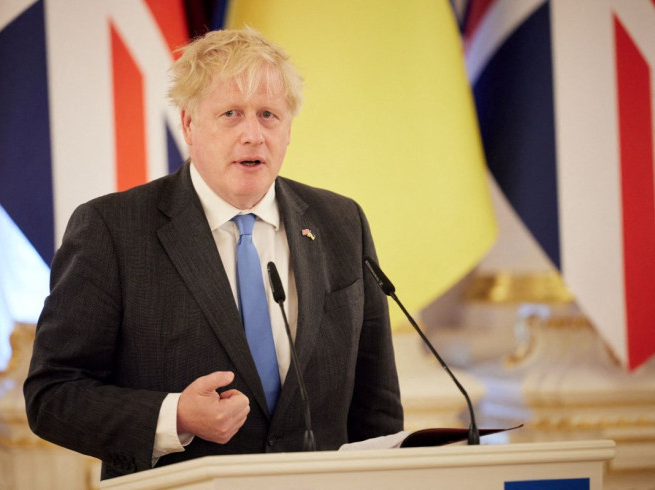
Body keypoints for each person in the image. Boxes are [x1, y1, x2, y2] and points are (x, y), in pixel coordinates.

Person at [24, 28, 403, 480]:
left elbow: (375, 406)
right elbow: (53, 394)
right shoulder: (112, 229)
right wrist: (174, 416)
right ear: (188, 124)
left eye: (268, 115)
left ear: (288, 127)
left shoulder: (341, 222)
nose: (253, 135)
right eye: (230, 114)